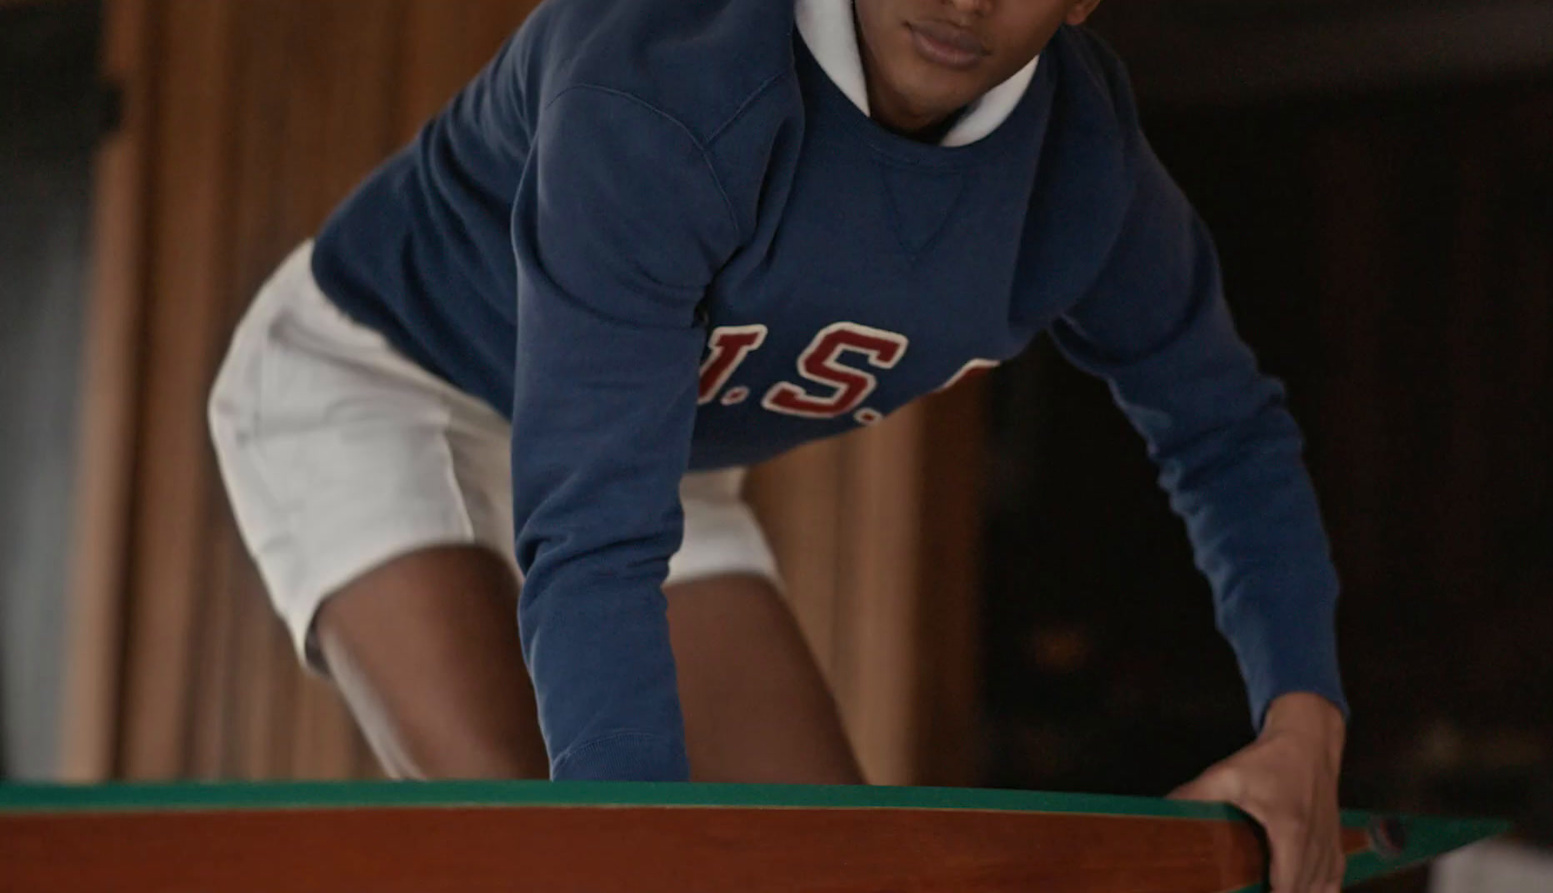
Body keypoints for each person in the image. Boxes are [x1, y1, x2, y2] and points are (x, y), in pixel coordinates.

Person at [209, 0, 1350, 890]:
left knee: (819, 867)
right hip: (378, 379)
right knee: (565, 845)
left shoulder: (1083, 171)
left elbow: (1224, 432)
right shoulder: (662, 76)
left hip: (654, 448)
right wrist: (625, 841)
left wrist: (1303, 724)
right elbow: (593, 530)